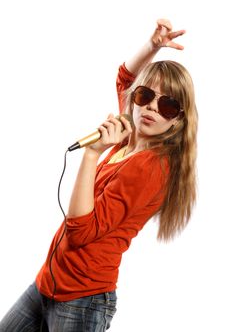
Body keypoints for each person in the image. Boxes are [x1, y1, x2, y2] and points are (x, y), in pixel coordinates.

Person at [0, 19, 198, 331]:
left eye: (168, 105)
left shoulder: (150, 168)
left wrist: (92, 154)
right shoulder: (130, 133)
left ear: (178, 121)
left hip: (82, 299)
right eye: (146, 96)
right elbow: (126, 79)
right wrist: (153, 46)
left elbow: (80, 230)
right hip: (48, 282)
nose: (153, 108)